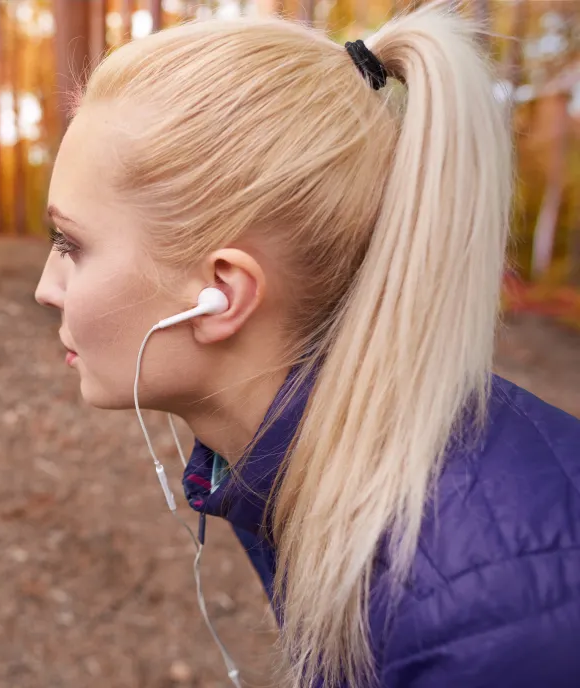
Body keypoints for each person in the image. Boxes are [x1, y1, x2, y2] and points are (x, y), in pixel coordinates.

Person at [33, 2, 580, 687]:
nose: (45, 288)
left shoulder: (489, 625)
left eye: (70, 245)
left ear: (223, 293)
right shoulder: (314, 459)